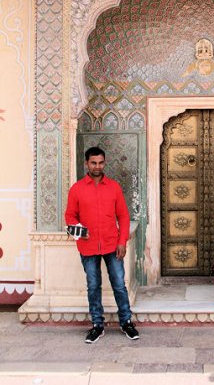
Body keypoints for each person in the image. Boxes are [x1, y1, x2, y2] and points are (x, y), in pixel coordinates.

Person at [65, 146, 139, 343]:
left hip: (112, 245)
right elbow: (70, 216)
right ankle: (97, 325)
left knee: (119, 285)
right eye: (93, 163)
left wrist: (122, 241)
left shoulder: (114, 187)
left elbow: (123, 216)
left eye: (100, 163)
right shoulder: (77, 189)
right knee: (93, 285)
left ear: (104, 163)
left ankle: (126, 322)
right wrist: (81, 231)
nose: (97, 167)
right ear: (86, 163)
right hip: (88, 247)